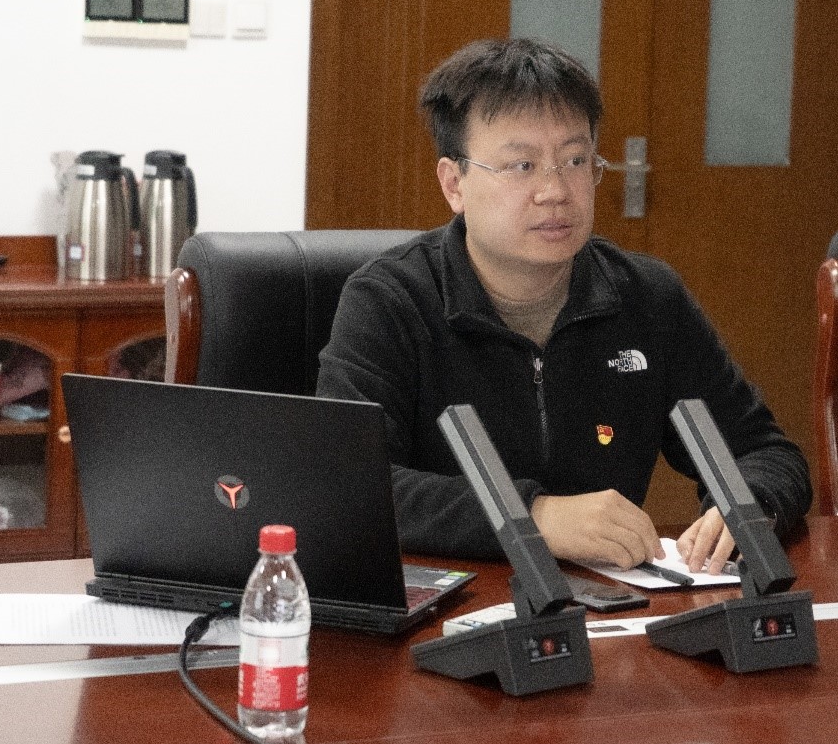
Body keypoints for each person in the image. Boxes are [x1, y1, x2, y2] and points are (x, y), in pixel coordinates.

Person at [316, 37, 811, 574]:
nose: (555, 190)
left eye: (575, 160)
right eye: (522, 165)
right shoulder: (389, 301)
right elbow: (347, 484)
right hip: (452, 600)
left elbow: (765, 453)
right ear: (454, 184)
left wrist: (747, 506)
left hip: (611, 602)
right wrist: (531, 516)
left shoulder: (647, 298)